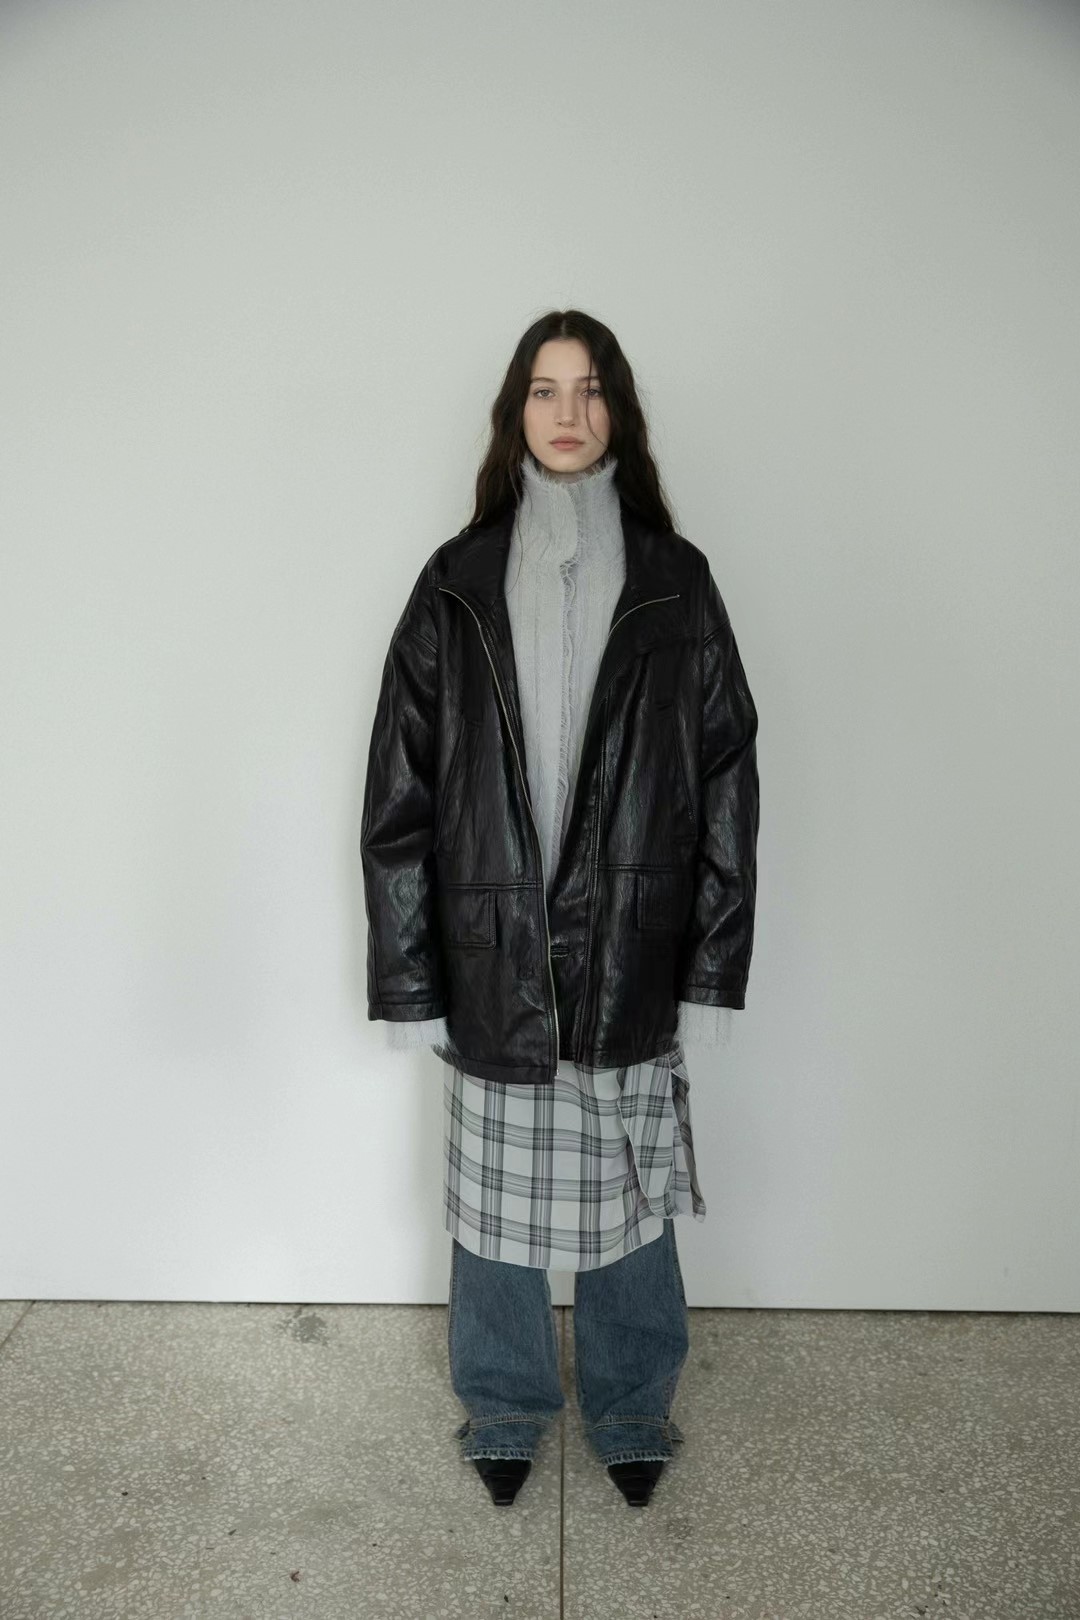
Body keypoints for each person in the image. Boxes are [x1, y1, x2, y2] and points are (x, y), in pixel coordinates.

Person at [361, 310, 760, 1509]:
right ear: (516, 412)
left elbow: (727, 776)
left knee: (631, 1190)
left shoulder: (678, 581)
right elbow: (400, 794)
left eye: (588, 389)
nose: (568, 412)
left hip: (633, 938)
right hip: (494, 944)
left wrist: (711, 962)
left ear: (618, 409)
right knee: (492, 1203)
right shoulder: (457, 581)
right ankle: (504, 1399)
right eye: (545, 390)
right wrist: (410, 977)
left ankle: (632, 1401)